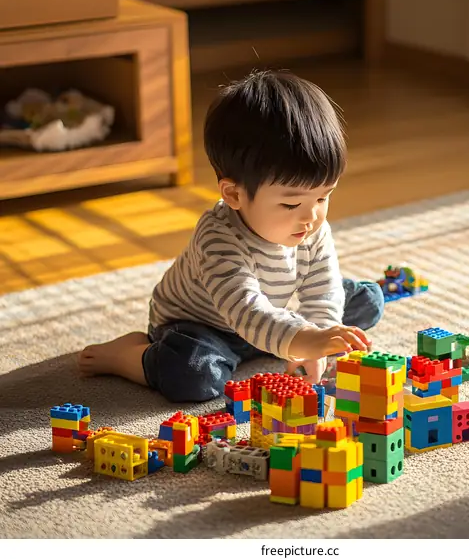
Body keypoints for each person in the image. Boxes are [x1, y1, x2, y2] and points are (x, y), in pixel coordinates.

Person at [78, 69, 385, 402]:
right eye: (291, 202)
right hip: (205, 326)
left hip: (272, 312)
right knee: (193, 375)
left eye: (323, 197)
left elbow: (322, 287)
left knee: (367, 300)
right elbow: (246, 311)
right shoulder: (218, 239)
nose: (311, 216)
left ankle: (284, 337)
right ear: (234, 195)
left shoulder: (311, 226)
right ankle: (128, 355)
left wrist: (318, 340)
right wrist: (305, 338)